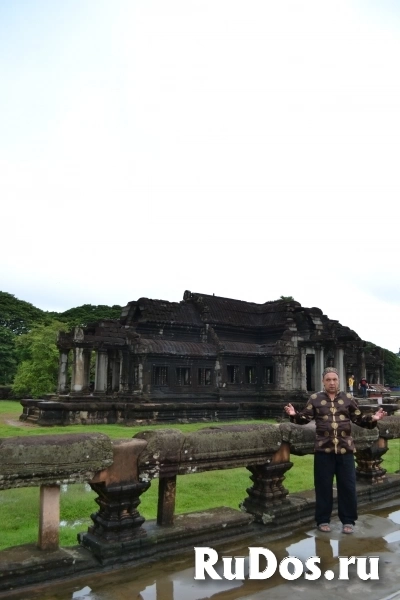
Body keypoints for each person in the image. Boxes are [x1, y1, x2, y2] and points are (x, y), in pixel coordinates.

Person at [284, 367, 386, 534]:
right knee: (323, 486)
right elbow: (304, 418)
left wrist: (373, 419)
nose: (332, 382)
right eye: (328, 380)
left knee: (348, 486)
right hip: (323, 451)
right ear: (323, 382)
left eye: (334, 379)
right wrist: (294, 414)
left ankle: (348, 520)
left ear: (339, 381)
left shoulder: (348, 398)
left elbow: (359, 419)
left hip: (346, 450)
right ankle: (323, 520)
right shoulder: (315, 399)